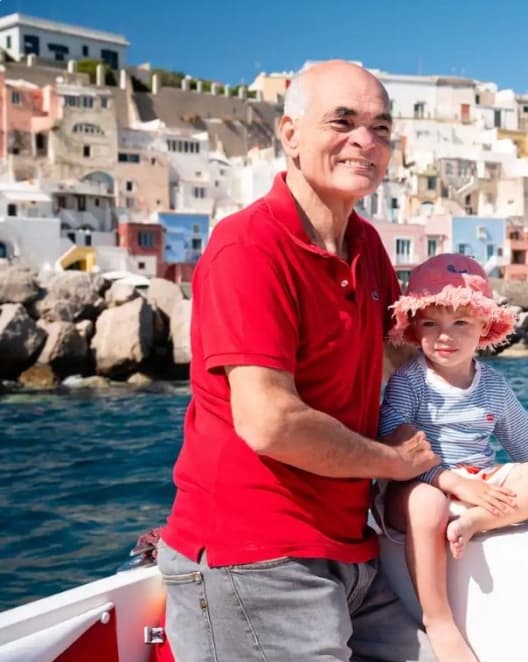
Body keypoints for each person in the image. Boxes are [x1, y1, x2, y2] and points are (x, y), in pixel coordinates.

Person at [156, 60, 439, 662]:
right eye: (343, 121)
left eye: (381, 128)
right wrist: (394, 461)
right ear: (290, 134)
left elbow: (397, 361)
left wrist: (487, 461)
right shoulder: (248, 247)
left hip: (350, 551)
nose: (366, 140)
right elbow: (270, 422)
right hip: (256, 558)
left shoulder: (365, 245)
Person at [378, 253, 528, 662]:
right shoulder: (408, 383)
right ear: (414, 329)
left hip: (478, 484)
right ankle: (440, 621)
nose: (445, 336)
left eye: (460, 323)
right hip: (420, 485)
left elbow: (525, 442)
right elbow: (393, 442)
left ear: (483, 327)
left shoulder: (493, 387)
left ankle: (478, 521)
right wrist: (452, 482)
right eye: (431, 323)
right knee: (426, 503)